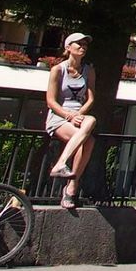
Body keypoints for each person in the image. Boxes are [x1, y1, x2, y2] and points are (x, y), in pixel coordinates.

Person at [43, 32, 97, 211]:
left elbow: (90, 99)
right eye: (78, 44)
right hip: (59, 117)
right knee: (88, 141)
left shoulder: (88, 70)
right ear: (68, 47)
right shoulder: (58, 70)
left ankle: (62, 164)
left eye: (85, 44)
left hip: (79, 116)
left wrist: (78, 114)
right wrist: (69, 116)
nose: (82, 47)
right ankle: (71, 187)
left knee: (91, 121)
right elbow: (51, 101)